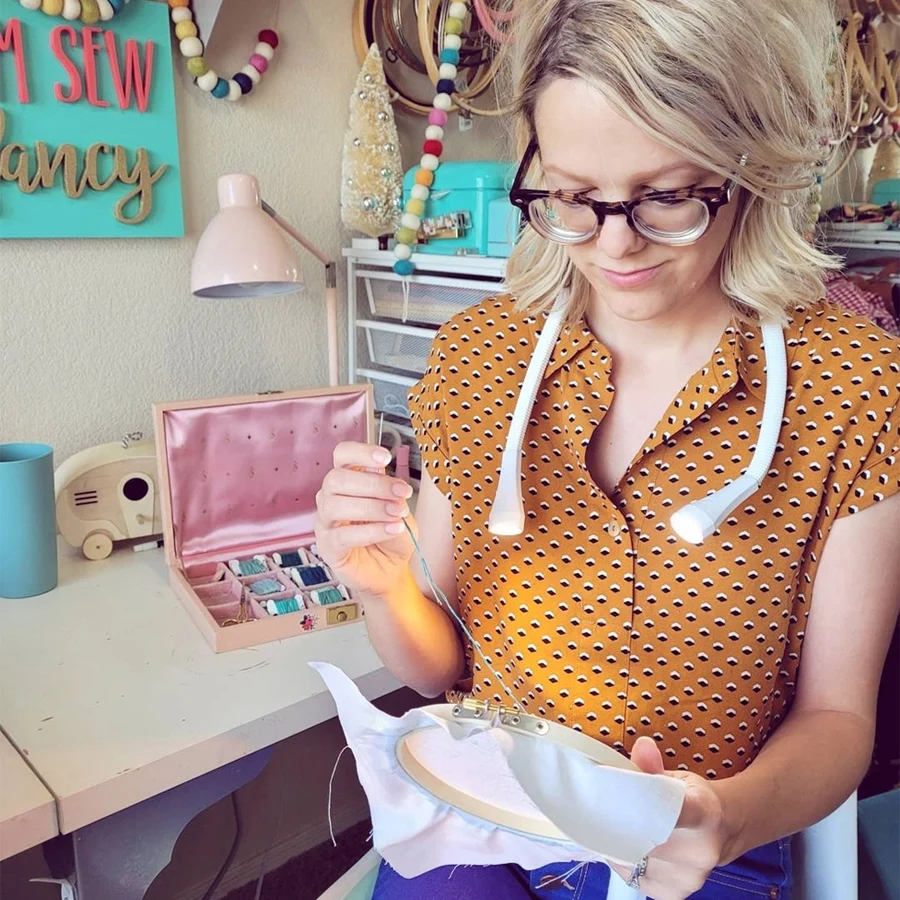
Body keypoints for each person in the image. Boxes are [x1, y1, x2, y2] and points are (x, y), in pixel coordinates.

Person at [314, 1, 900, 897]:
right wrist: (384, 586)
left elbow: (838, 717)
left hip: (709, 846)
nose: (616, 244)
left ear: (748, 167)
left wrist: (728, 817)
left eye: (665, 196)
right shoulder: (479, 359)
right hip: (486, 820)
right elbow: (436, 669)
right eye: (573, 196)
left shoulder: (852, 384)